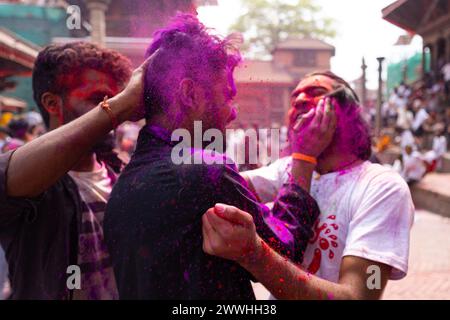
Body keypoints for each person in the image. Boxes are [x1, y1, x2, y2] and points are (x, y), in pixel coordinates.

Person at [103, 14, 332, 300]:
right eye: (226, 95)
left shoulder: (124, 184)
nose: (232, 112)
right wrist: (304, 157)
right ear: (190, 94)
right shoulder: (203, 170)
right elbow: (285, 247)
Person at [202, 71, 415, 300]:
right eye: (294, 100)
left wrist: (254, 253)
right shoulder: (286, 169)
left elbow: (361, 295)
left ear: (349, 112)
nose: (301, 101)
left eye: (317, 93)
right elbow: (219, 187)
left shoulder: (382, 186)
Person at [0, 41, 145, 299]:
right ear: (52, 104)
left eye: (114, 98)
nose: (113, 109)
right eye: (98, 99)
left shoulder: (121, 174)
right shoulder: (31, 181)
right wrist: (121, 104)